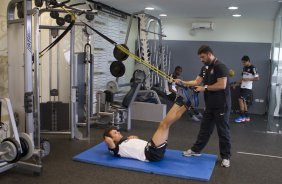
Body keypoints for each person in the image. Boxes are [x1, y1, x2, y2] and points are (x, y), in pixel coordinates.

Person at [175, 45, 231, 168]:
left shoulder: (220, 66)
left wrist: (204, 88)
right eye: (200, 57)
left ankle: (226, 157)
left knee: (223, 132)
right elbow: (196, 82)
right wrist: (182, 82)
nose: (201, 59)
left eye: (203, 57)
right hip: (210, 105)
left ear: (209, 54)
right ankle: (196, 150)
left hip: (221, 105)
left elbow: (222, 85)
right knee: (205, 129)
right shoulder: (205, 68)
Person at [103, 101, 188, 162]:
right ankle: (179, 101)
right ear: (111, 139)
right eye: (115, 133)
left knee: (167, 124)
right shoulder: (116, 150)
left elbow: (135, 145)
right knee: (163, 124)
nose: (118, 132)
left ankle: (187, 104)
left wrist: (134, 138)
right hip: (151, 153)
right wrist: (107, 138)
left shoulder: (124, 141)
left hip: (151, 149)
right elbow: (110, 144)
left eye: (117, 131)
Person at [234, 56, 259, 123]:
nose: (243, 64)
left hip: (248, 88)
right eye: (242, 62)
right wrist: (236, 84)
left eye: (244, 62)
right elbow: (242, 78)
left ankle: (242, 117)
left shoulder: (253, 68)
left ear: (248, 61)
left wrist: (248, 79)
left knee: (240, 99)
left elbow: (257, 78)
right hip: (242, 87)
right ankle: (247, 117)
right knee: (243, 101)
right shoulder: (244, 68)